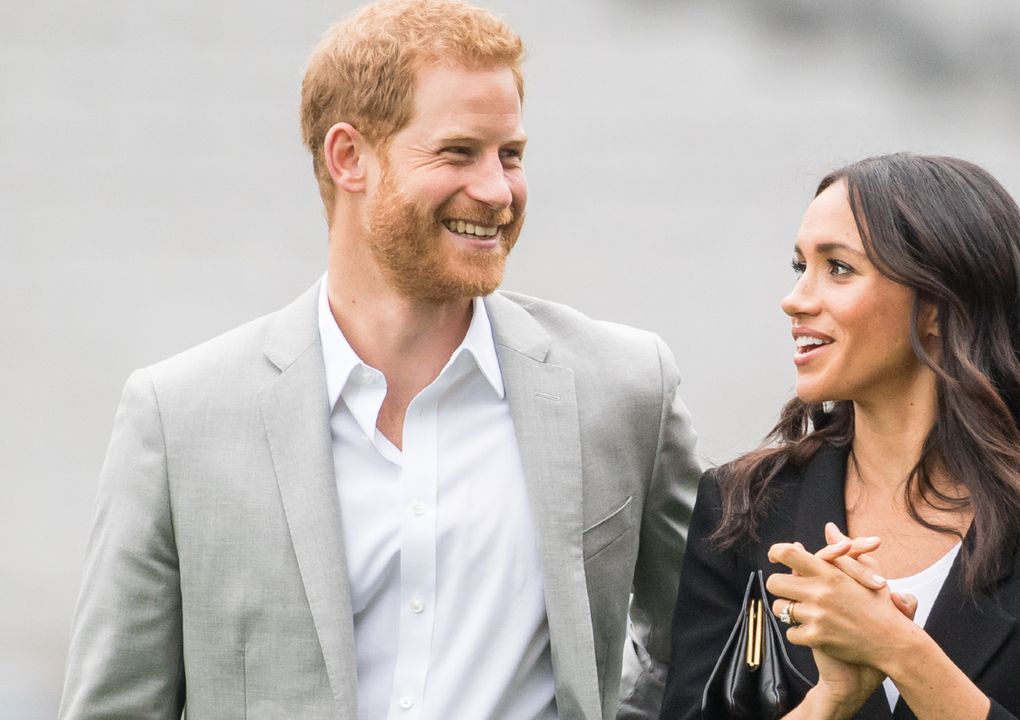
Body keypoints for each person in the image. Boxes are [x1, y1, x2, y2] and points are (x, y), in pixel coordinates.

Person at [59, 1, 702, 718]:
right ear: (349, 157)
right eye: (458, 152)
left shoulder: (624, 389)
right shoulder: (178, 419)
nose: (496, 190)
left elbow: (700, 642)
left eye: (510, 154)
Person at [659, 153, 1020, 720]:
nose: (796, 298)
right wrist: (830, 700)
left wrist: (899, 650)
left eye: (839, 268)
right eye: (799, 265)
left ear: (935, 306)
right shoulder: (742, 507)